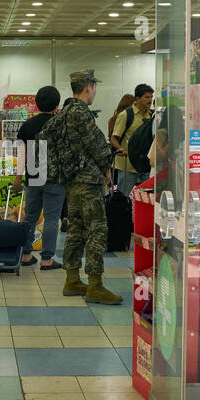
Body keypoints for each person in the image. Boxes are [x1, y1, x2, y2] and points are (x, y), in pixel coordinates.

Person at [57, 69, 121, 304]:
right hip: (87, 181)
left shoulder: (64, 112)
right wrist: (106, 168)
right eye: (95, 87)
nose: (95, 91)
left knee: (76, 229)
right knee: (97, 230)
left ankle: (72, 279)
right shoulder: (81, 113)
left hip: (71, 180)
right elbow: (98, 147)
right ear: (88, 87)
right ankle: (95, 284)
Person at [17, 85, 65, 270]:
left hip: (34, 175)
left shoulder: (28, 125)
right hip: (55, 178)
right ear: (57, 103)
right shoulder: (61, 124)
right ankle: (47, 259)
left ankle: (26, 255)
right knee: (52, 219)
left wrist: (17, 178)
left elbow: (22, 153)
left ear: (36, 103)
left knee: (30, 217)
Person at [112, 83, 155, 195]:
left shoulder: (152, 116)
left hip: (146, 167)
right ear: (137, 98)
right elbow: (114, 138)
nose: (150, 100)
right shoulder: (126, 115)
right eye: (147, 97)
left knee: (147, 199)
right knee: (123, 198)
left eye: (151, 97)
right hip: (127, 167)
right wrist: (121, 149)